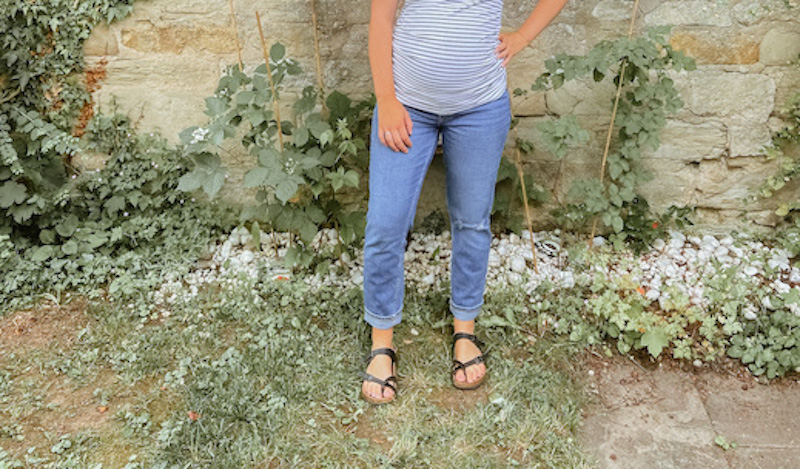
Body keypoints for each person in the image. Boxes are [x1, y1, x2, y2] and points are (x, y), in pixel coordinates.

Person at [361, 0, 570, 404]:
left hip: (480, 108)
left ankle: (465, 332)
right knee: (385, 224)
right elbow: (381, 19)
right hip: (405, 107)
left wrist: (523, 36)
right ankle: (382, 340)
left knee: (472, 220)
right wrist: (385, 98)